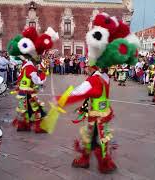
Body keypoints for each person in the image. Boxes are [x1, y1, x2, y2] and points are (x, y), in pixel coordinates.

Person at [46, 13, 139, 173]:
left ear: (94, 63)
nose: (86, 65)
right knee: (97, 139)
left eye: (89, 62)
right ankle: (98, 161)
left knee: (93, 138)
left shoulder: (95, 79)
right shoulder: (105, 76)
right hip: (103, 114)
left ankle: (98, 162)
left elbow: (78, 92)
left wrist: (60, 100)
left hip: (96, 116)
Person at [8, 26, 59, 133]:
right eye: (38, 57)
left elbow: (22, 78)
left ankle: (23, 125)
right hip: (28, 93)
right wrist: (44, 74)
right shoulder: (30, 67)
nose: (39, 59)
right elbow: (37, 81)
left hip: (22, 92)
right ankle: (38, 127)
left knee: (24, 110)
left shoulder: (25, 65)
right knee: (37, 109)